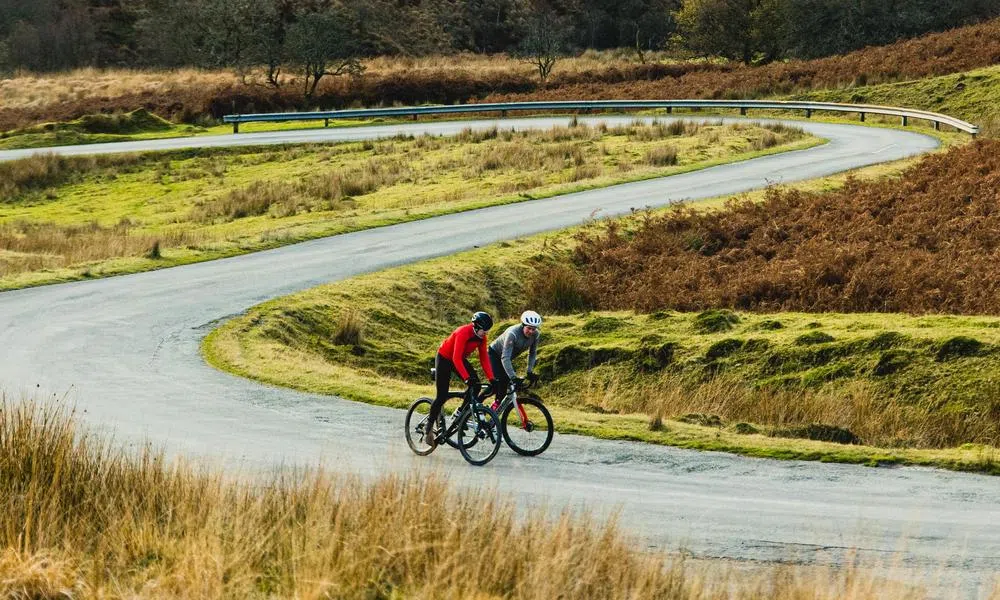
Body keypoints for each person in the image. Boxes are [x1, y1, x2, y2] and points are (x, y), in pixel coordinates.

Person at [424, 311, 497, 448]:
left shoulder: (481, 337)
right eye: (484, 331)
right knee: (441, 396)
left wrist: (492, 378)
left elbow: (484, 358)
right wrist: (466, 378)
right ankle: (428, 428)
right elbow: (455, 358)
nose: (485, 334)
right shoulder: (463, 332)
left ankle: (461, 415)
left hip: (458, 359)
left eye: (487, 331)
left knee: (476, 387)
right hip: (445, 357)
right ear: (476, 327)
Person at [488, 310, 542, 411]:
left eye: (533, 329)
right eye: (529, 328)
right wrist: (513, 377)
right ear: (523, 325)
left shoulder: (536, 335)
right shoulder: (512, 333)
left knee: (505, 385)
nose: (531, 331)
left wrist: (529, 371)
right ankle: (483, 406)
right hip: (494, 354)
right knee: (501, 382)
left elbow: (532, 353)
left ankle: (493, 410)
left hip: (506, 358)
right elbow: (505, 357)